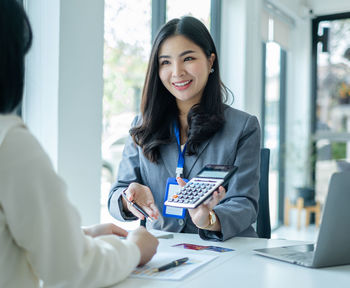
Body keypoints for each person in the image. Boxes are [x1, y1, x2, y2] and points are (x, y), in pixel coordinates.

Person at [0, 1, 158, 287]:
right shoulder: (11, 144)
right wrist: (134, 249)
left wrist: (80, 235)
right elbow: (73, 269)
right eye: (165, 63)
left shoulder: (241, 126)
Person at [108, 16, 261, 242]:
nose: (177, 72)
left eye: (188, 58)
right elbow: (116, 195)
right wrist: (128, 200)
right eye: (166, 62)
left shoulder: (243, 127)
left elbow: (245, 203)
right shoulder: (142, 126)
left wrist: (209, 219)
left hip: (224, 251)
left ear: (210, 62)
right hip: (162, 250)